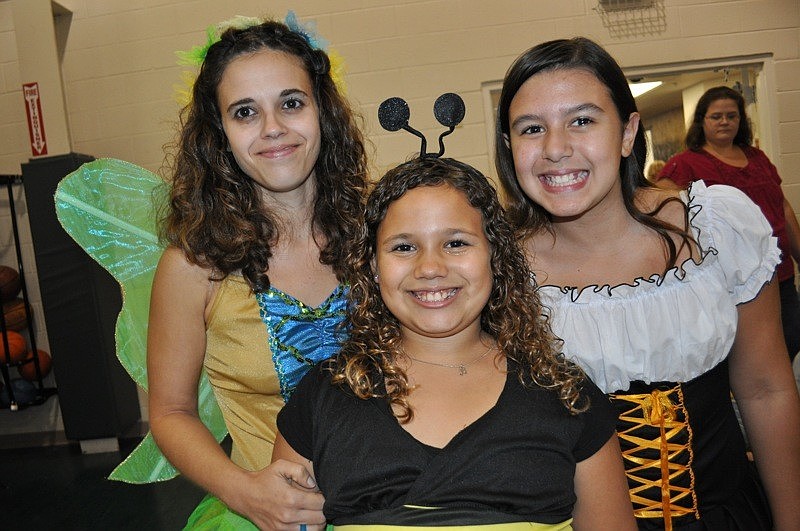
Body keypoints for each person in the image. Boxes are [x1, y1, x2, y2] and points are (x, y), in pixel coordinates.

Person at [495, 37, 800, 530]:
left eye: (582, 120)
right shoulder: (495, 271)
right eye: (532, 128)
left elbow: (765, 389)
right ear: (511, 148)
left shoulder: (714, 229)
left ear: (627, 131)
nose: (555, 148)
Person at [272, 156, 637, 530]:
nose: (430, 268)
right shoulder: (326, 394)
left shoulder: (566, 394)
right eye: (403, 247)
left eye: (456, 243)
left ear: (495, 256)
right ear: (372, 267)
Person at [147, 16, 368, 530]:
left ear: (324, 113)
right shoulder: (193, 267)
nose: (273, 128)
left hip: (398, 506)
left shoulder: (380, 237)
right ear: (219, 132)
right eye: (245, 112)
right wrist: (242, 492)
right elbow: (171, 413)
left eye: (292, 103)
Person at [656, 85, 800, 361]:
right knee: (748, 355)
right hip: (728, 280)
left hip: (778, 272)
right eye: (716, 116)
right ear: (702, 122)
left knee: (791, 339)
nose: (725, 121)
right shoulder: (685, 164)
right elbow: (661, 212)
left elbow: (782, 206)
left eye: (732, 116)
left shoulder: (758, 158)